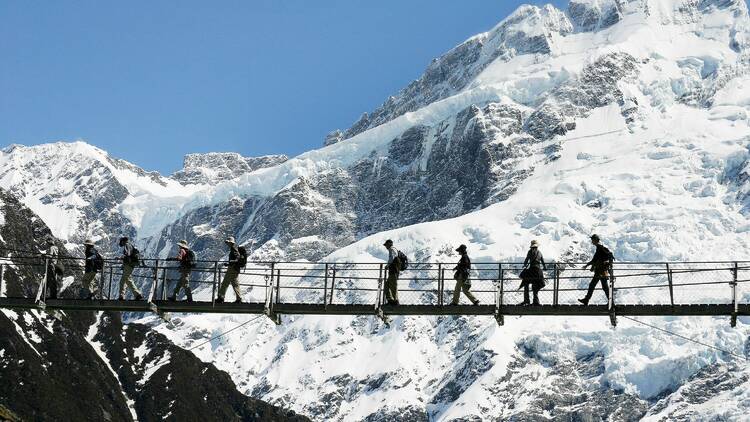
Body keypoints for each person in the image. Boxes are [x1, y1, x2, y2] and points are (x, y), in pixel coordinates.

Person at [579, 234, 613, 305]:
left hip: (600, 271)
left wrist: (587, 265)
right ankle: (587, 300)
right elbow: (595, 259)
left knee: (597, 286)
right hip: (600, 271)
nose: (592, 241)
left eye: (593, 240)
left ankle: (587, 300)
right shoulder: (599, 248)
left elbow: (596, 259)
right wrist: (587, 265)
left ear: (596, 240)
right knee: (602, 287)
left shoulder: (600, 248)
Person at [519, 240, 546, 305]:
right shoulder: (540, 252)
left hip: (532, 271)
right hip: (538, 272)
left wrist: (525, 265)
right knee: (535, 286)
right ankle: (536, 301)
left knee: (525, 283)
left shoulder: (530, 252)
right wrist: (544, 268)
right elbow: (542, 261)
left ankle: (526, 300)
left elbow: (526, 259)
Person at [216, 236, 242, 303]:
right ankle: (239, 298)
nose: (227, 244)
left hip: (232, 269)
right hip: (234, 269)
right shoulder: (234, 248)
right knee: (235, 284)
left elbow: (237, 258)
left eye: (228, 242)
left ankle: (221, 297)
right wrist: (229, 264)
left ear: (231, 242)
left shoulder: (234, 249)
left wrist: (230, 263)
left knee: (225, 283)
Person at [118, 237, 143, 301]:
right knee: (122, 281)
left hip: (128, 265)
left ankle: (137, 294)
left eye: (121, 241)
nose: (120, 243)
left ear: (123, 241)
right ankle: (121, 296)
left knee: (127, 279)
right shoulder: (130, 245)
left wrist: (120, 257)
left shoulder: (127, 245)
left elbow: (127, 254)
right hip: (130, 265)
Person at [383, 239, 400, 305]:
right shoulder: (394, 249)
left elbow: (391, 258)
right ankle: (390, 300)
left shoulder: (391, 249)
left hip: (393, 271)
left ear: (389, 244)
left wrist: (387, 265)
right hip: (393, 271)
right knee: (387, 285)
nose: (386, 247)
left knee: (392, 286)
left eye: (386, 245)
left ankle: (395, 301)